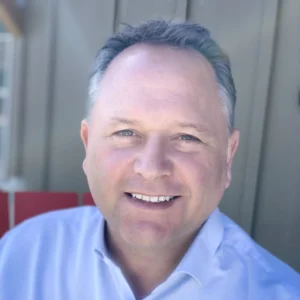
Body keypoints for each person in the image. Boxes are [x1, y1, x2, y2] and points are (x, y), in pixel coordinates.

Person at [0, 20, 299, 300]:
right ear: (88, 146)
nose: (152, 168)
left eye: (187, 137)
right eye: (126, 132)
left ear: (228, 156)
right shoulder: (19, 258)